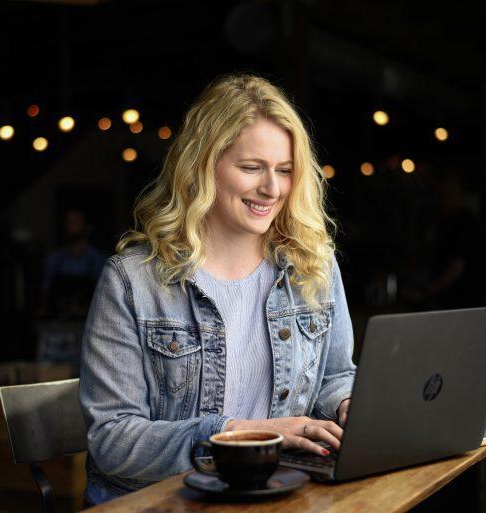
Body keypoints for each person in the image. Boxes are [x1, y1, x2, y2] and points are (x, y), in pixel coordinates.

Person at [79, 73, 356, 505]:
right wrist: (237, 434)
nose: (272, 188)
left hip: (274, 495)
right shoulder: (133, 281)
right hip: (159, 502)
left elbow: (335, 376)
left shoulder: (312, 266)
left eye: (285, 171)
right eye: (251, 168)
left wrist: (347, 405)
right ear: (202, 164)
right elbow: (113, 441)